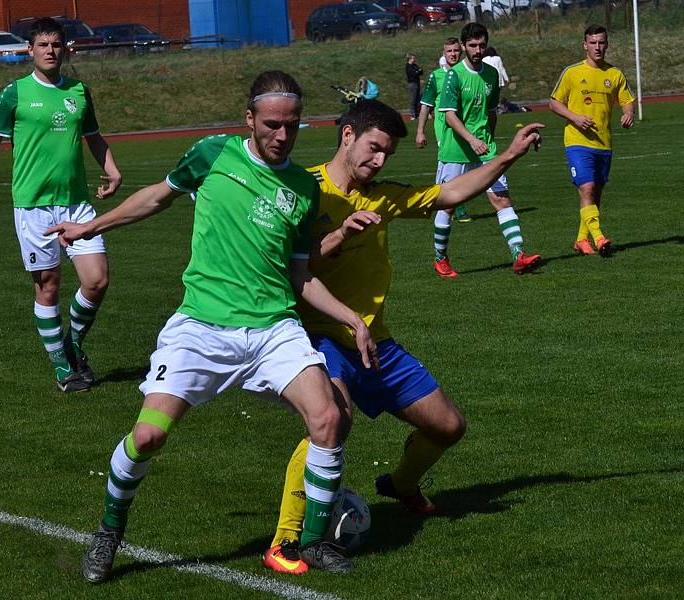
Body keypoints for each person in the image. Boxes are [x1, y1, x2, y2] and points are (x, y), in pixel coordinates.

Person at [46, 70, 378, 582]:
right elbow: (157, 197)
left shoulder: (303, 189)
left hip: (273, 330)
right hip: (202, 328)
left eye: (292, 126)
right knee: (149, 436)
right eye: (271, 124)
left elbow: (299, 275)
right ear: (249, 119)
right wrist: (90, 226)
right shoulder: (212, 154)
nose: (282, 136)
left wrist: (350, 316)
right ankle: (109, 529)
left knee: (330, 418)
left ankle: (311, 542)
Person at [262, 99, 545, 575]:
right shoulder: (301, 188)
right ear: (347, 135)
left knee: (448, 426)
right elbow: (284, 265)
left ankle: (402, 483)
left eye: (387, 155)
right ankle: (287, 539)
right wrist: (336, 236)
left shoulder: (383, 195)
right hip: (317, 337)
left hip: (375, 342)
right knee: (331, 419)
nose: (379, 161)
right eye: (374, 149)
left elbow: (449, 194)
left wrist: (507, 157)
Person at [0, 17, 122, 392]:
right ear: (30, 50)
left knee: (97, 280)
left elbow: (94, 137)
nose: (50, 51)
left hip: (76, 204)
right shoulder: (14, 94)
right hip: (33, 207)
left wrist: (112, 170)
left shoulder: (79, 91)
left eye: (56, 44)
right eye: (43, 45)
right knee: (48, 287)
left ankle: (73, 342)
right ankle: (63, 366)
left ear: (65, 49)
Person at [431, 22, 541, 277]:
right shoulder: (453, 75)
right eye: (472, 45)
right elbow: (449, 116)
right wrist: (471, 139)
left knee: (501, 199)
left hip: (485, 149)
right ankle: (440, 258)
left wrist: (488, 140)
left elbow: (491, 112)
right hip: (456, 149)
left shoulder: (492, 75)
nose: (477, 50)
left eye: (481, 45)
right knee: (447, 205)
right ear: (463, 46)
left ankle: (518, 254)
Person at [548, 24, 635, 256]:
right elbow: (554, 102)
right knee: (586, 188)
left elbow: (627, 99)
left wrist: (628, 113)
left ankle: (581, 240)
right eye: (593, 43)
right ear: (584, 45)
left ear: (606, 44)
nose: (598, 47)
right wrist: (574, 117)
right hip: (577, 142)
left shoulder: (614, 74)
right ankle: (599, 238)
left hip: (604, 143)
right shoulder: (572, 72)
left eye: (601, 42)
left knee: (595, 195)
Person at [416, 37, 471, 223]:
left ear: (461, 51)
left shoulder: (465, 74)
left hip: (464, 130)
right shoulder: (436, 76)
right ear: (444, 53)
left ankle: (445, 205)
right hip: (444, 132)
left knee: (464, 171)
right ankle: (454, 208)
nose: (453, 54)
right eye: (449, 51)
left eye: (456, 50)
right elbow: (425, 105)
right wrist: (420, 131)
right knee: (449, 172)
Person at [405, 53, 423, 120]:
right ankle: (412, 115)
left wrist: (418, 71)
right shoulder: (408, 66)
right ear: (409, 59)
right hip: (412, 84)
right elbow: (413, 74)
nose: (414, 59)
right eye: (413, 58)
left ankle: (417, 114)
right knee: (413, 99)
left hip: (417, 83)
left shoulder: (415, 65)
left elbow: (421, 71)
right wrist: (417, 71)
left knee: (417, 99)